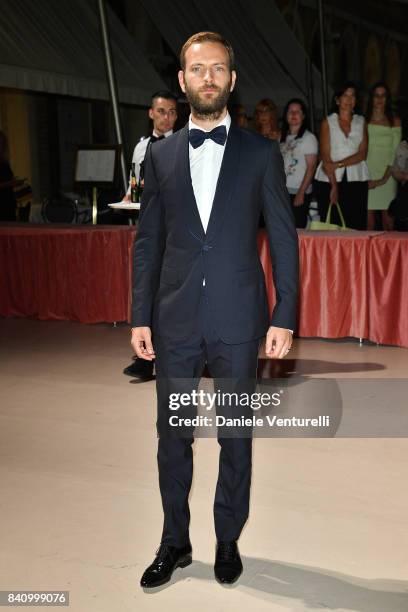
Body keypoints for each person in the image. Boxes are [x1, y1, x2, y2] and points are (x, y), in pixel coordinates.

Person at [130, 31, 299, 588]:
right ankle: (174, 541)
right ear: (182, 82)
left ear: (231, 78)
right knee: (173, 434)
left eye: (218, 68)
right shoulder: (160, 154)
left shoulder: (260, 152)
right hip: (174, 320)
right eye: (197, 69)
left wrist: (284, 313)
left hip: (236, 321)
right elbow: (148, 241)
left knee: (235, 434)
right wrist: (139, 315)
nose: (208, 77)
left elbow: (282, 237)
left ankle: (228, 537)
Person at [123, 91, 178, 381]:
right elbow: (135, 186)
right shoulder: (141, 147)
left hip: (174, 229)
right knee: (147, 288)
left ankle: (172, 358)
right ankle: (145, 359)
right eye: (161, 111)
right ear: (151, 113)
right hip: (149, 227)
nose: (166, 117)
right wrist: (129, 196)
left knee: (169, 294)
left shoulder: (183, 146)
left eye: (171, 112)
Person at [314, 82, 370, 230]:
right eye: (345, 95)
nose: (349, 99)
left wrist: (339, 165)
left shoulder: (361, 121)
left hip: (356, 179)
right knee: (332, 225)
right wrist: (334, 186)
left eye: (353, 96)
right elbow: (325, 156)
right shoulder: (328, 122)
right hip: (329, 180)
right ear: (337, 100)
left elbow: (363, 154)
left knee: (356, 225)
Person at [366, 82, 401, 231]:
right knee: (368, 223)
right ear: (371, 99)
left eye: (383, 95)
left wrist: (383, 179)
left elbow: (396, 153)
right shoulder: (363, 120)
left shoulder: (395, 121)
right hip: (367, 174)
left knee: (389, 223)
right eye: (376, 95)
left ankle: (390, 255)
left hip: (388, 174)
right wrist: (366, 178)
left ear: (387, 98)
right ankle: (368, 255)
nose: (380, 99)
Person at [280, 98, 318, 228]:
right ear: (285, 115)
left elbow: (311, 168)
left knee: (297, 230)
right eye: (291, 111)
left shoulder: (309, 138)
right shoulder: (281, 137)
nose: (294, 114)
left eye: (298, 111)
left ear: (303, 116)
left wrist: (301, 193)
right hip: (283, 192)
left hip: (299, 192)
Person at [0, 130, 18, 222]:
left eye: (2, 143)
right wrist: (8, 183)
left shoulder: (4, 162)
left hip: (8, 203)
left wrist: (13, 182)